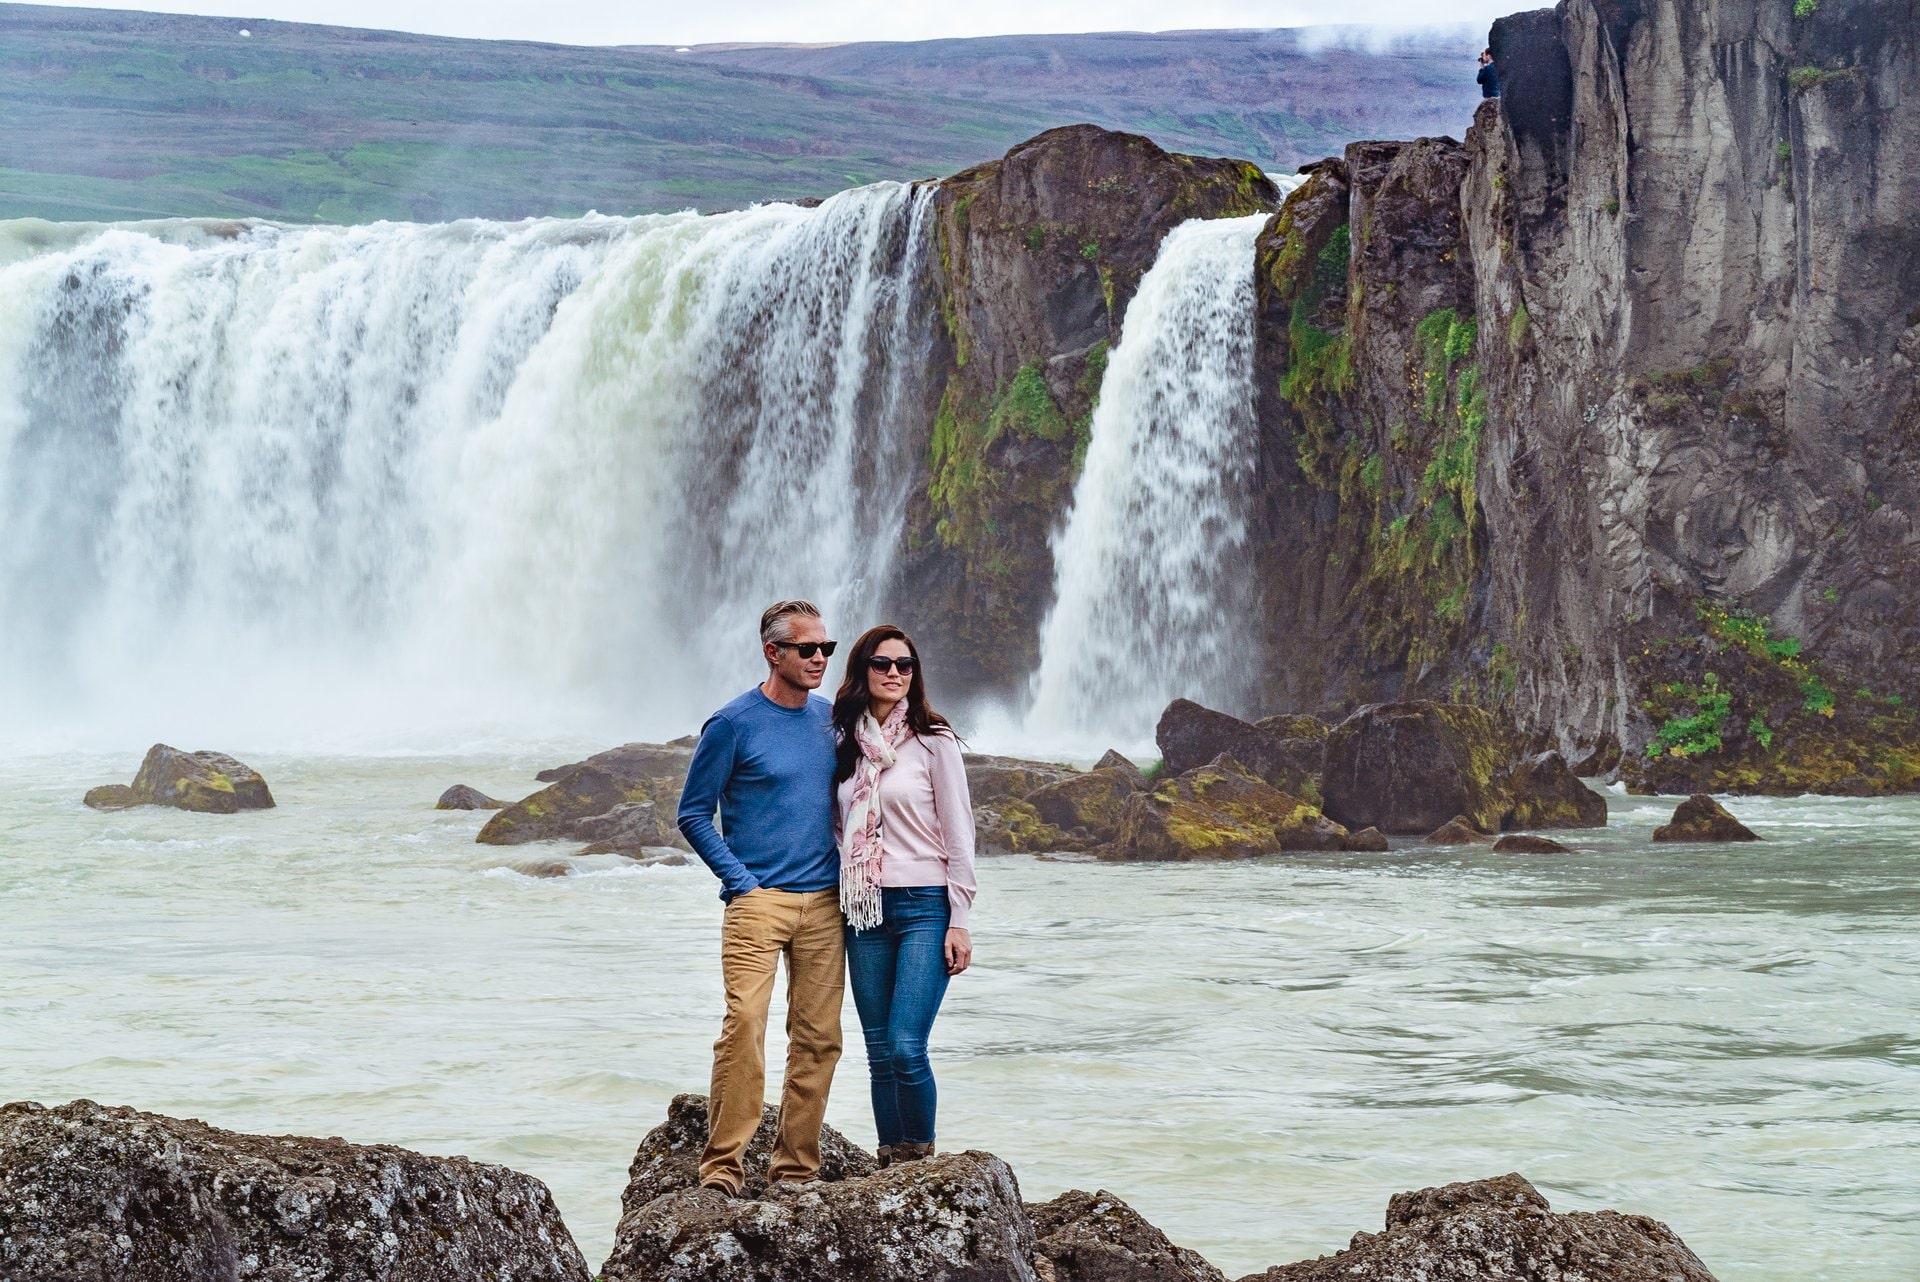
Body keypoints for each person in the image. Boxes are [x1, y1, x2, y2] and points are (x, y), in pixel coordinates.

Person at [677, 598, 844, 1196]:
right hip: (758, 900)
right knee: (745, 1023)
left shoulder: (832, 721)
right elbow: (693, 813)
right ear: (773, 652)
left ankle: (795, 1170)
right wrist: (741, 881)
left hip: (827, 903)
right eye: (808, 648)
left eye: (826, 647)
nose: (820, 658)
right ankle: (723, 1168)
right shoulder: (731, 724)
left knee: (819, 1038)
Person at [830, 624, 977, 1166]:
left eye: (905, 664)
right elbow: (836, 828)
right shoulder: (845, 742)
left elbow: (959, 832)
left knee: (906, 1046)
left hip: (925, 906)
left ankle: (921, 1162)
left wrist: (959, 918)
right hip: (864, 908)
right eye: (882, 663)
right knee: (878, 1052)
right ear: (862, 670)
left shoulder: (934, 741)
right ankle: (889, 1162)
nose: (895, 672)